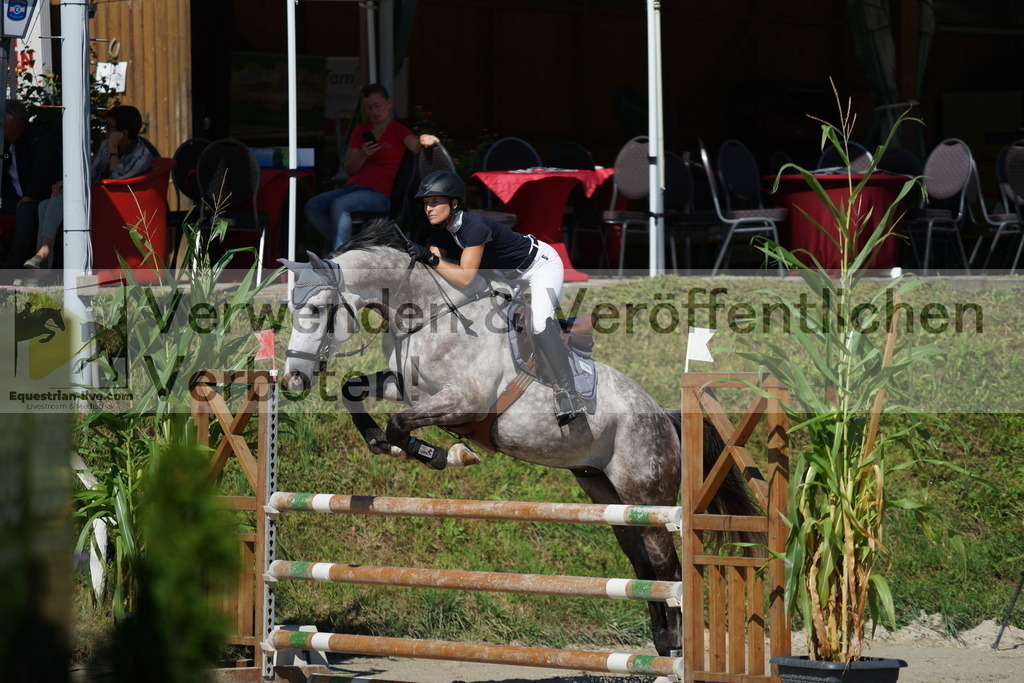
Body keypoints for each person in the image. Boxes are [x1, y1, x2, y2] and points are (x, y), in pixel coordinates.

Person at [405, 170, 586, 426]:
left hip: (539, 268)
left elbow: (465, 277)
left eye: (435, 202)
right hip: (503, 274)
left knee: (539, 324)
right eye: (426, 203)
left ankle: (569, 394)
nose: (429, 209)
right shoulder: (440, 229)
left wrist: (431, 259)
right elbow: (437, 274)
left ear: (454, 203)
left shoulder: (474, 226)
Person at [305, 83, 439, 252]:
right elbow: (349, 169)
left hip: (378, 194)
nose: (374, 111)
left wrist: (425, 136)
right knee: (313, 205)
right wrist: (363, 154)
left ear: (388, 103)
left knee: (339, 205)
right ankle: (348, 249)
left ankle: (338, 260)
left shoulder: (398, 130)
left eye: (377, 106)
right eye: (369, 108)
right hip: (352, 188)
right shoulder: (360, 130)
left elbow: (416, 145)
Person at [24, 105, 153, 269]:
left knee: (58, 200)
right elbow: (92, 175)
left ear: (124, 132)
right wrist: (68, 184)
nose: (106, 130)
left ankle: (43, 253)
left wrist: (113, 150)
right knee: (44, 205)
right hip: (98, 198)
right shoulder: (107, 145)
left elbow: (116, 180)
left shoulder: (142, 156)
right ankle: (42, 262)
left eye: (110, 127)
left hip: (117, 208)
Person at [1, 99, 61, 269]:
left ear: (12, 122)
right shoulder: (4, 143)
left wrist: (30, 196)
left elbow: (44, 169)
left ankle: (12, 267)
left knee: (25, 212)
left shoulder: (36, 138)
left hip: (37, 199)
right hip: (11, 199)